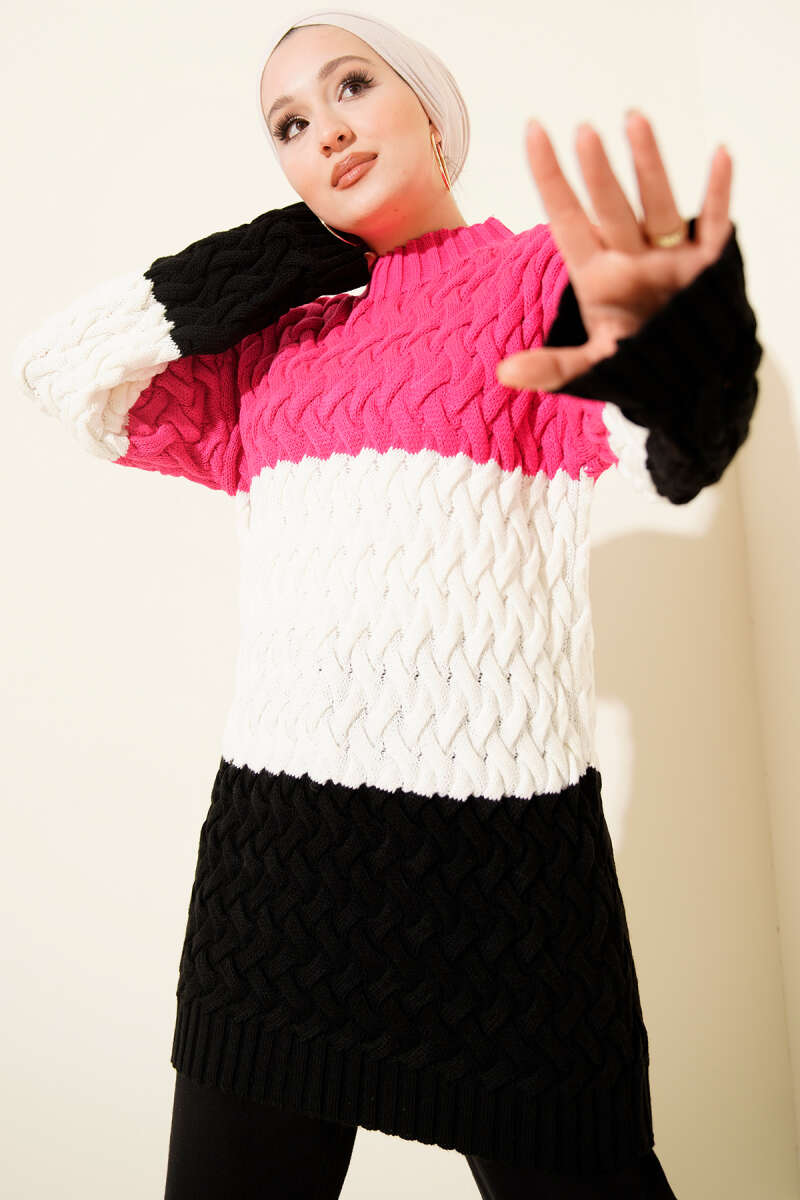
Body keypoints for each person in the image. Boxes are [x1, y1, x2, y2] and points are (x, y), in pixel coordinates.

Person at [13, 7, 761, 1198]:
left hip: (499, 879)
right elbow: (67, 375)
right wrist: (290, 252)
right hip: (279, 873)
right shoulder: (273, 349)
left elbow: (677, 439)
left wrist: (688, 340)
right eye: (288, 125)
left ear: (431, 109)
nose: (325, 130)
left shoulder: (533, 278)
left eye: (351, 86)